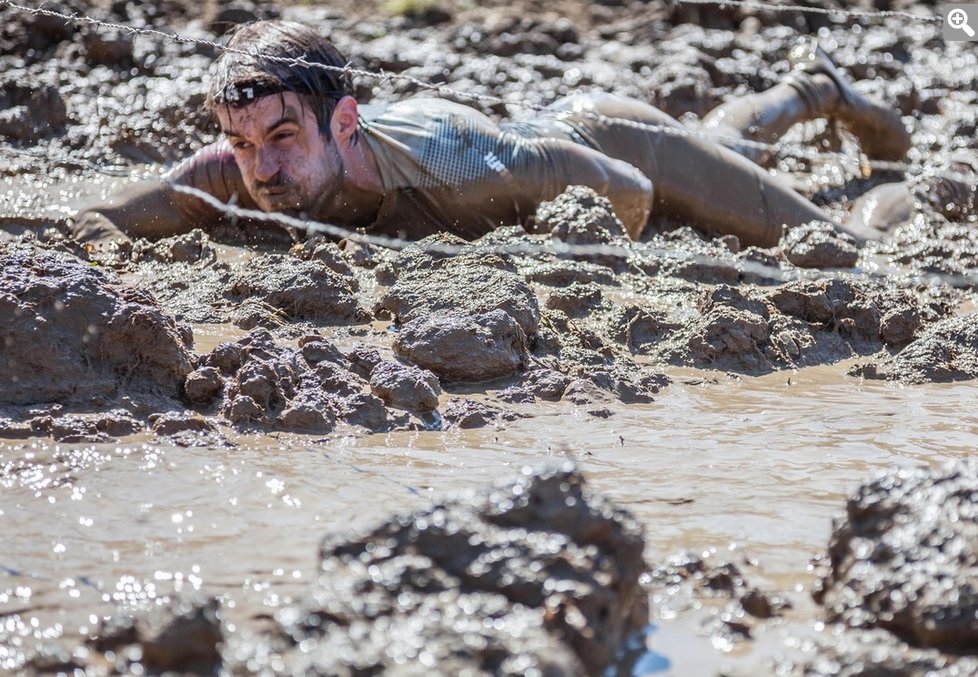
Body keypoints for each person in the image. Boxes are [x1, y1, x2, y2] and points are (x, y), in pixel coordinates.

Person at [69, 20, 965, 251]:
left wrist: (576, 256)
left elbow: (628, 189)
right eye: (241, 140)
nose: (258, 167)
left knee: (835, 245)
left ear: (346, 122)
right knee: (729, 161)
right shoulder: (235, 167)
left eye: (280, 138)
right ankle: (810, 89)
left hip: (613, 150)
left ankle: (929, 182)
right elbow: (104, 218)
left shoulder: (464, 171)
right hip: (564, 138)